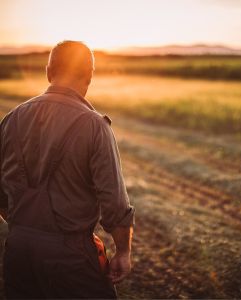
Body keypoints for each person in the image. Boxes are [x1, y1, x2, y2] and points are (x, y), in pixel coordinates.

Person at [0, 40, 135, 299]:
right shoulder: (95, 126)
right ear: (90, 76)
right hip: (71, 258)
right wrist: (123, 252)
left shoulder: (11, 120)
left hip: (18, 251)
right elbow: (115, 204)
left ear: (48, 72)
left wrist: (29, 228)